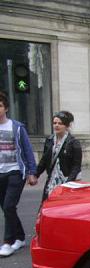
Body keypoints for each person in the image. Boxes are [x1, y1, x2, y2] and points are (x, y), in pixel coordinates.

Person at [0, 91, 38, 257]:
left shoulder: (16, 127)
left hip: (15, 171)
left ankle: (8, 242)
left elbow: (28, 150)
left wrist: (32, 172)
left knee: (8, 206)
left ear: (6, 108)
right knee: (7, 208)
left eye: (0, 105)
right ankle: (20, 237)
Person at [36, 111, 82, 202]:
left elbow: (76, 166)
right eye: (54, 123)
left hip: (67, 180)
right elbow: (44, 160)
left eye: (60, 123)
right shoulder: (49, 140)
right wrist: (35, 175)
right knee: (46, 206)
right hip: (51, 181)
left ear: (67, 126)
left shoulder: (73, 142)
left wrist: (68, 182)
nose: (56, 125)